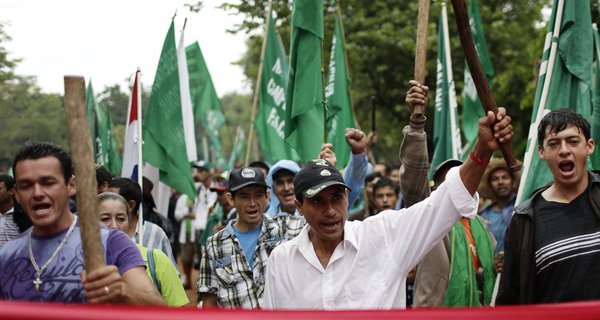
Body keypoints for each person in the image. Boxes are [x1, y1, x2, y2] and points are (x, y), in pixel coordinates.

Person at [262, 102, 513, 309]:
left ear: (348, 197)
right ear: (299, 205)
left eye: (336, 198)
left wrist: (481, 150)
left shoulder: (384, 235)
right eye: (317, 201)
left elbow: (444, 202)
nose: (330, 211)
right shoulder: (281, 262)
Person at [0, 142, 164, 305]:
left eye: (48, 183)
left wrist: (124, 292)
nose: (37, 193)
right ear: (17, 194)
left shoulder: (112, 242)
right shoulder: (6, 255)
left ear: (71, 186)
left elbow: (159, 309)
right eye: (26, 185)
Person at [497, 108, 600, 305]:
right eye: (554, 143)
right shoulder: (524, 221)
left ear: (589, 146)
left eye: (573, 141)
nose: (564, 150)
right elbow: (510, 300)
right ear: (542, 152)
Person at [197, 167, 305, 308]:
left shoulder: (285, 228)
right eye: (244, 196)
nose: (253, 203)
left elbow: (319, 219)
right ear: (231, 199)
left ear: (267, 196)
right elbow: (209, 302)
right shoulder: (214, 245)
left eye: (258, 195)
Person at [413, 160, 497, 307]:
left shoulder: (484, 229)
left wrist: (496, 266)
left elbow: (480, 276)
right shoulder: (430, 222)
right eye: (449, 184)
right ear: (436, 191)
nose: (459, 187)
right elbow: (412, 181)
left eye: (463, 181)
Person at [97, 192, 188, 307]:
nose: (114, 226)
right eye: (105, 219)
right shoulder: (77, 262)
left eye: (120, 219)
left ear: (129, 222)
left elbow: (178, 312)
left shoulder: (156, 259)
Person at [107, 177, 177, 270]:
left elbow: (170, 275)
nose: (105, 203)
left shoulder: (155, 233)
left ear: (131, 205)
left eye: (112, 199)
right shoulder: (100, 233)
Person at [478, 158, 517, 254]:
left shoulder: (523, 206)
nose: (500, 182)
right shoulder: (482, 217)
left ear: (513, 182)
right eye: (495, 179)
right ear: (490, 185)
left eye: (505, 177)